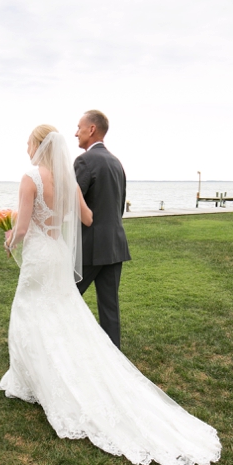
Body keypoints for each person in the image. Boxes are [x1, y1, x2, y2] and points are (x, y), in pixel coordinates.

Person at [0, 125, 221, 465]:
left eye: (28, 142)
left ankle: (31, 379)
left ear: (37, 146)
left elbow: (23, 227)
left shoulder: (30, 177)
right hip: (57, 252)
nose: (26, 148)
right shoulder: (67, 180)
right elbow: (87, 216)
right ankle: (46, 372)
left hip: (41, 255)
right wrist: (62, 221)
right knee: (60, 313)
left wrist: (10, 238)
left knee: (30, 312)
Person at [73, 110, 131, 349]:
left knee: (64, 297)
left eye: (79, 127)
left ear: (92, 129)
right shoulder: (117, 162)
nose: (76, 132)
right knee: (110, 307)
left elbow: (73, 206)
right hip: (115, 245)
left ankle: (61, 349)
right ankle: (114, 358)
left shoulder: (84, 161)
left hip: (91, 247)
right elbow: (119, 207)